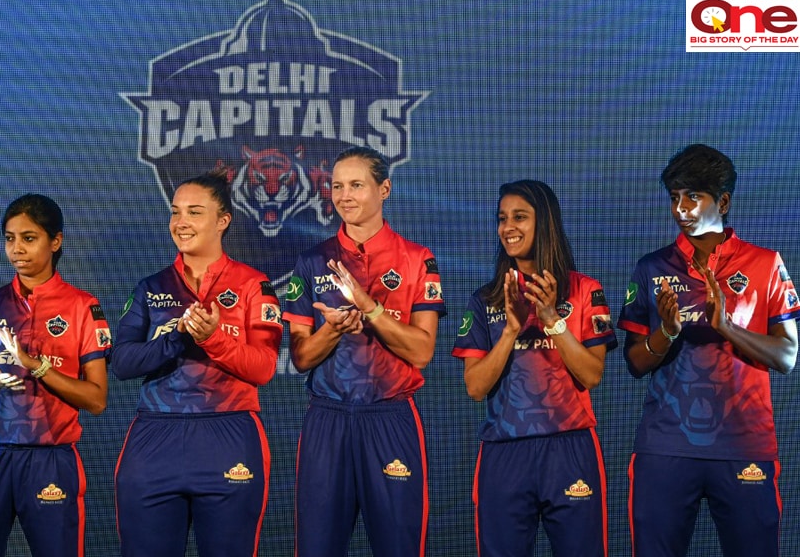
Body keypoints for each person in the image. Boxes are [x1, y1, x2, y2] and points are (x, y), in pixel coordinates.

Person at [618, 144, 800, 557]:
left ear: (722, 200)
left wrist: (727, 326)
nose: (681, 209)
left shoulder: (765, 263)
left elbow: (787, 356)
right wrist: (666, 332)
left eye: (693, 197)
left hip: (745, 447)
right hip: (665, 447)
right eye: (674, 198)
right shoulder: (652, 268)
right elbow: (633, 362)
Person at [283, 146, 445, 557]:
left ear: (384, 189)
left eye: (356, 185)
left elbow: (422, 351)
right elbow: (301, 357)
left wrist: (371, 309)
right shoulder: (312, 261)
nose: (344, 195)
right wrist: (333, 330)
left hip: (390, 416)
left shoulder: (417, 260)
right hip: (328, 418)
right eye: (337, 186)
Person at [112, 169, 282, 557]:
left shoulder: (253, 285)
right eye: (175, 212)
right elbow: (122, 362)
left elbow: (263, 368)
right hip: (154, 439)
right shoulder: (151, 287)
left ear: (223, 221)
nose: (181, 223)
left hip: (229, 435)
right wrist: (178, 338)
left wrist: (212, 338)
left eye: (194, 212)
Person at [452, 180, 617, 557]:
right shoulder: (486, 299)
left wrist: (550, 318)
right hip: (504, 453)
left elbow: (591, 375)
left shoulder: (584, 291)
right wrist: (511, 330)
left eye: (520, 217)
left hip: (570, 448)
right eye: (502, 218)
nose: (507, 227)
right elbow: (475, 387)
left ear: (545, 223)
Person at [0, 193, 111, 557]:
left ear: (56, 241)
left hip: (49, 458)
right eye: (10, 238)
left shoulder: (82, 307)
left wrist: (37, 366)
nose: (17, 248)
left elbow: (97, 399)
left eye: (29, 238)